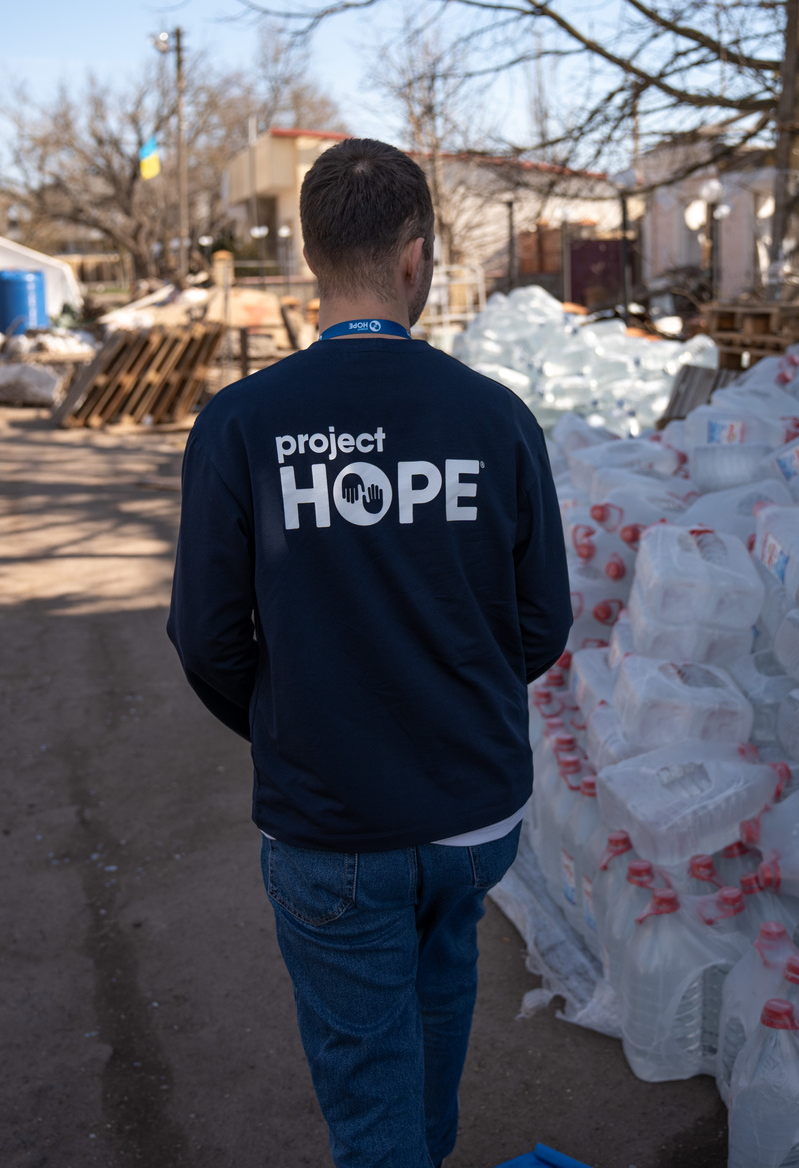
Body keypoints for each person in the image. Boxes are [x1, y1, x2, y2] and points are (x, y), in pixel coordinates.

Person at [167, 138, 571, 1167]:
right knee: (438, 1001)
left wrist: (293, 711)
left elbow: (209, 636)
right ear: (415, 257)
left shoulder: (243, 421)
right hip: (475, 811)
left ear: (311, 259)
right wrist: (450, 692)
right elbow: (541, 622)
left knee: (366, 1065)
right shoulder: (495, 417)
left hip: (332, 816)